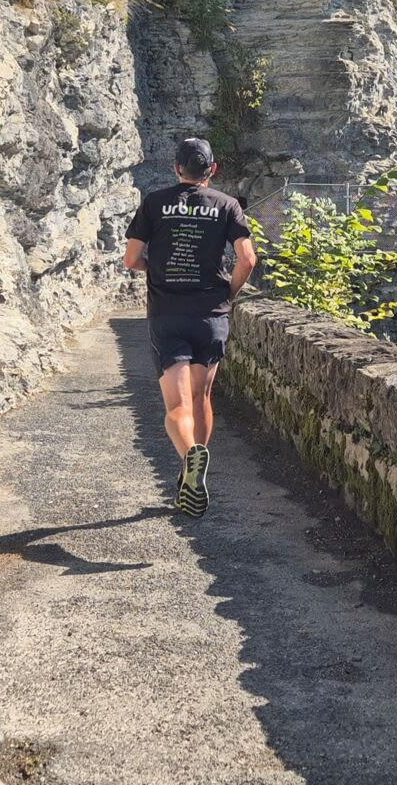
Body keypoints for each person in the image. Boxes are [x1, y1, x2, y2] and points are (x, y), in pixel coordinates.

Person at [123, 137, 257, 517]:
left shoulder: (154, 203)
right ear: (212, 170)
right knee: (201, 398)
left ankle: (189, 458)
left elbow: (131, 259)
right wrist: (228, 293)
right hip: (211, 314)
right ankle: (195, 472)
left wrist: (156, 269)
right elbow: (247, 259)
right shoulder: (227, 205)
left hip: (167, 313)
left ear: (176, 169)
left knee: (177, 406)